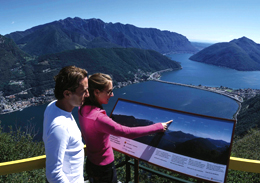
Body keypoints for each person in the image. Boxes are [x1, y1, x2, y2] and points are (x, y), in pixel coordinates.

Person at [78, 73, 172, 183]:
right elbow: (127, 132)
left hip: (90, 163)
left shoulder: (82, 108)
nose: (112, 94)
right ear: (96, 92)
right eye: (109, 91)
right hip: (104, 167)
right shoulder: (99, 118)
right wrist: (158, 126)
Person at [43, 66, 89, 183]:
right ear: (67, 94)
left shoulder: (53, 106)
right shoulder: (60, 127)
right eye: (83, 91)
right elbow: (53, 174)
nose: (88, 94)